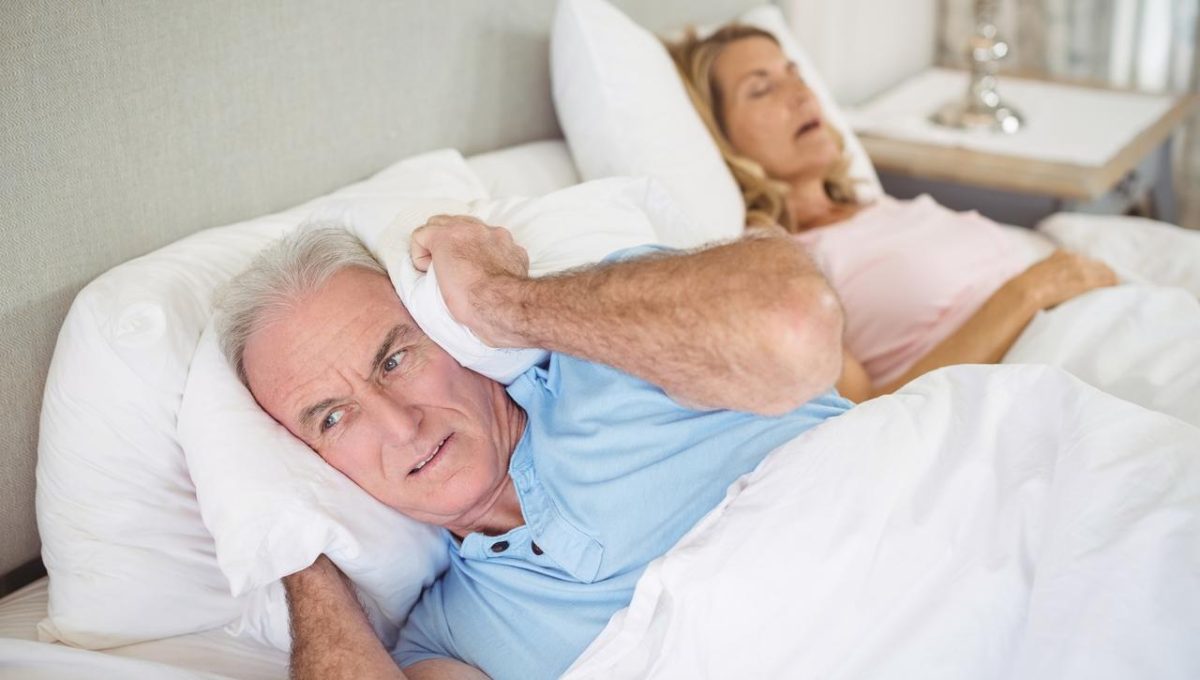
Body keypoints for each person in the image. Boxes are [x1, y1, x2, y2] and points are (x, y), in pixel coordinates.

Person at [214, 218, 853, 680]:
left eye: (395, 358)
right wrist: (296, 549)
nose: (399, 424)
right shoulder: (453, 638)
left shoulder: (617, 353)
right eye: (332, 419)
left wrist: (500, 301)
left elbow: (793, 323)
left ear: (444, 330)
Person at [668, 25, 1121, 403]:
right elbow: (868, 414)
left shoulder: (872, 206)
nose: (801, 93)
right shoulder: (782, 267)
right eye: (762, 88)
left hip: (1097, 329)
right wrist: (1027, 292)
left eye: (795, 73)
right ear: (721, 139)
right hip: (1044, 378)